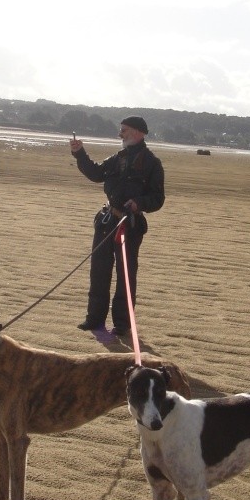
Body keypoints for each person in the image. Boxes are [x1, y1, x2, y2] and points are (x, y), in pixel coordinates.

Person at [70, 115, 165, 336]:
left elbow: (158, 199)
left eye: (124, 130)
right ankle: (94, 320)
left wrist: (139, 203)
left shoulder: (152, 163)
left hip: (130, 225)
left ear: (138, 133)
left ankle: (122, 325)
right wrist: (79, 153)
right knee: (99, 271)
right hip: (106, 222)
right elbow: (95, 173)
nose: (120, 133)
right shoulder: (117, 157)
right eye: (121, 130)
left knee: (126, 275)